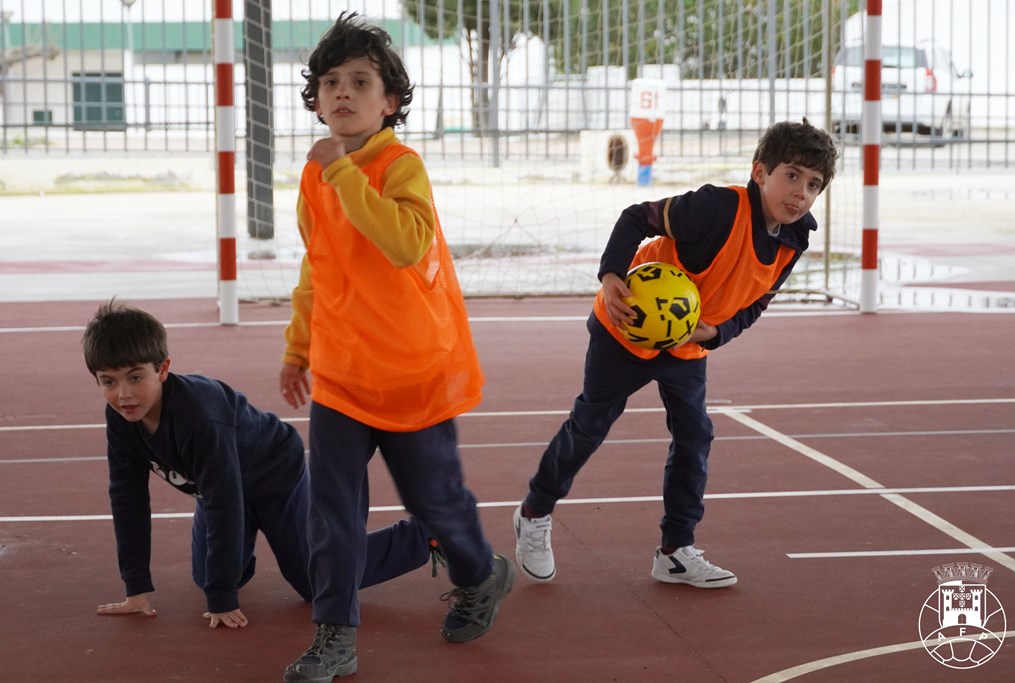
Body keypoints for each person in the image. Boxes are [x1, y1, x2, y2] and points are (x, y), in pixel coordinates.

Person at [278, 12, 513, 682]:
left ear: (390, 102)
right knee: (331, 511)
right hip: (343, 375)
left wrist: (344, 176)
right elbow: (318, 266)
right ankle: (334, 634)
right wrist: (298, 345)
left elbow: (406, 242)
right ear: (317, 98)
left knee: (436, 505)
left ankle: (479, 572)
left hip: (415, 373)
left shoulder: (398, 165)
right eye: (331, 81)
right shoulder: (314, 175)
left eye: (360, 81)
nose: (343, 92)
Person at [513, 119, 839, 588]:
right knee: (590, 425)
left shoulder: (796, 235)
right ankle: (534, 512)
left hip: (687, 345)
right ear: (760, 171)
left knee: (694, 436)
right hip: (625, 332)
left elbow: (757, 301)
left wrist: (719, 333)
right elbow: (636, 216)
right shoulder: (717, 207)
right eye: (791, 175)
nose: (801, 193)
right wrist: (611, 277)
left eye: (813, 185)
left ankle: (675, 550)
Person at [82, 301, 433, 630]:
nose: (123, 395)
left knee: (314, 582)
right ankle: (238, 556)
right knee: (209, 576)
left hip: (274, 473)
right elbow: (127, 499)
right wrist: (136, 587)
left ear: (163, 369)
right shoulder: (122, 419)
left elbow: (224, 503)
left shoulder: (200, 417)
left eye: (135, 377)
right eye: (108, 382)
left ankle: (425, 536)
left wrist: (221, 600)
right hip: (221, 483)